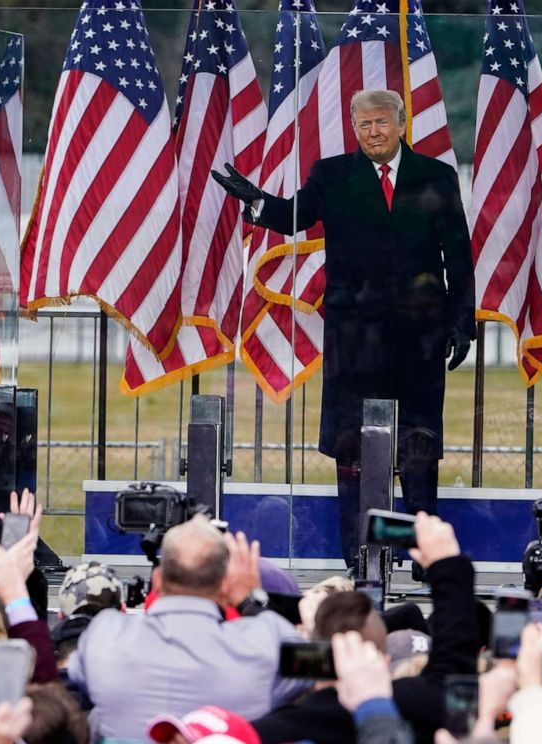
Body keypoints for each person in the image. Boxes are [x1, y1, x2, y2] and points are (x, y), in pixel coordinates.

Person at [212, 88, 476, 572]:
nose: (372, 133)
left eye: (381, 123)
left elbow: (457, 256)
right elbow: (296, 216)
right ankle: (361, 554)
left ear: (400, 125)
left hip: (420, 337)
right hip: (353, 338)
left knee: (418, 446)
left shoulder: (436, 176)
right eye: (363, 125)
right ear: (354, 129)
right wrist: (257, 205)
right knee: (352, 444)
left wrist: (462, 322)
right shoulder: (332, 175)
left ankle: (424, 555)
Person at [66, 516, 308, 740]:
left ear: (158, 581)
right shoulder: (264, 642)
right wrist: (252, 601)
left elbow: (75, 679)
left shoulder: (106, 633)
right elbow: (318, 666)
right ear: (226, 585)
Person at [251, 513, 479, 743]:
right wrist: (447, 562)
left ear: (311, 654)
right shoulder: (419, 708)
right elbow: (455, 661)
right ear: (384, 659)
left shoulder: (273, 727)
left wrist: (246, 601)